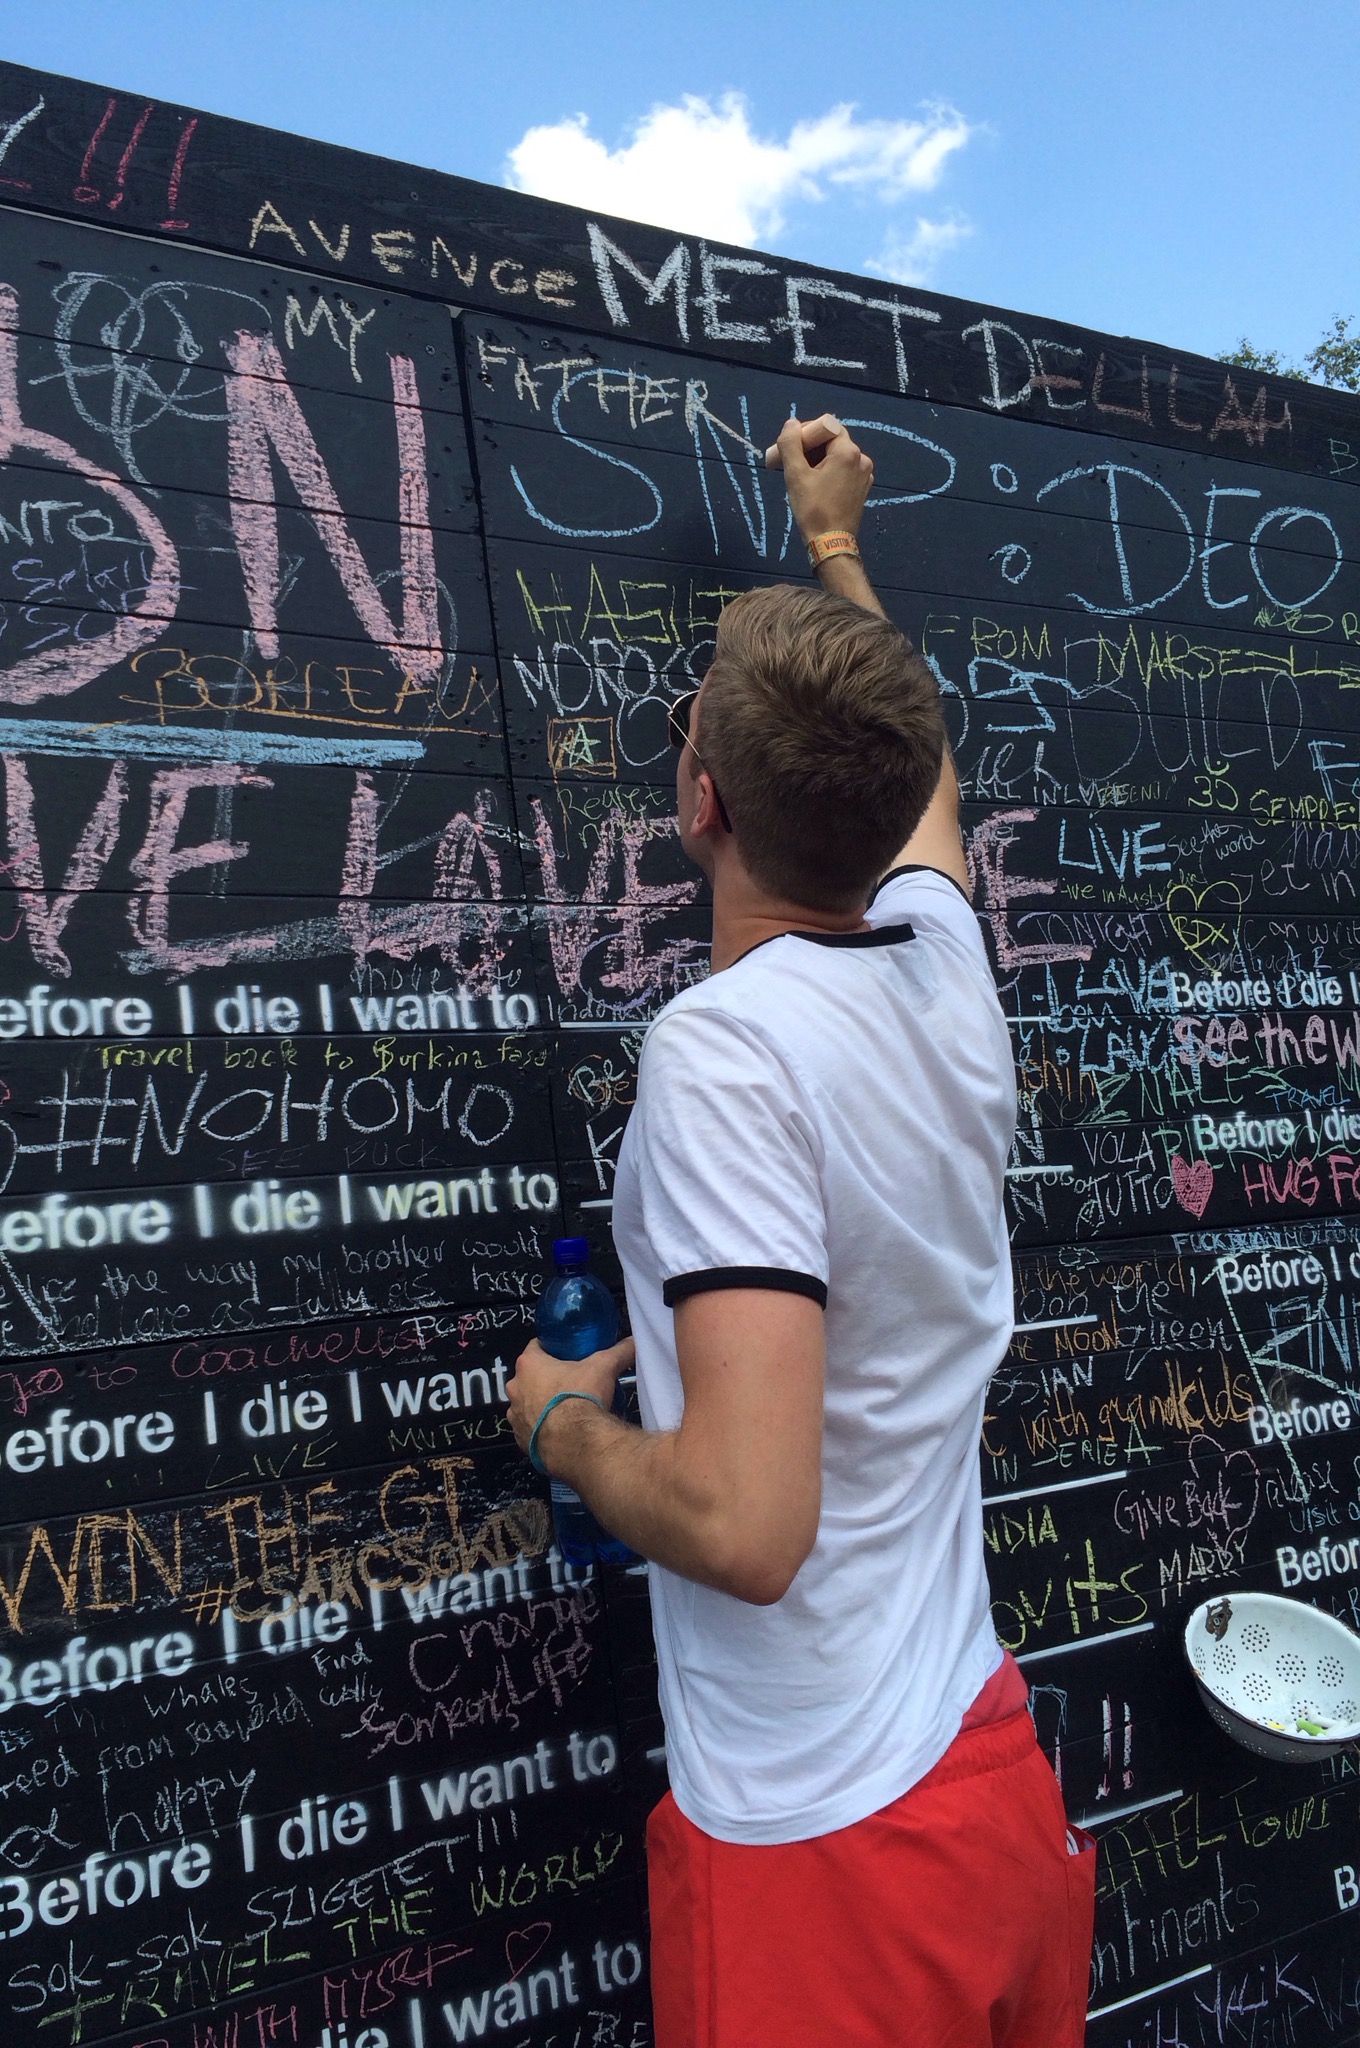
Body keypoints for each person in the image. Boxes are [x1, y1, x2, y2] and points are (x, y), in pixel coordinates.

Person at [507, 413, 1095, 2047]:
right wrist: (836, 545)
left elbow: (750, 1528)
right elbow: (931, 787)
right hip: (984, 1771)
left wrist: (562, 1430)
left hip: (826, 1853)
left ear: (699, 798)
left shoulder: (727, 1054)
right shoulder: (945, 969)